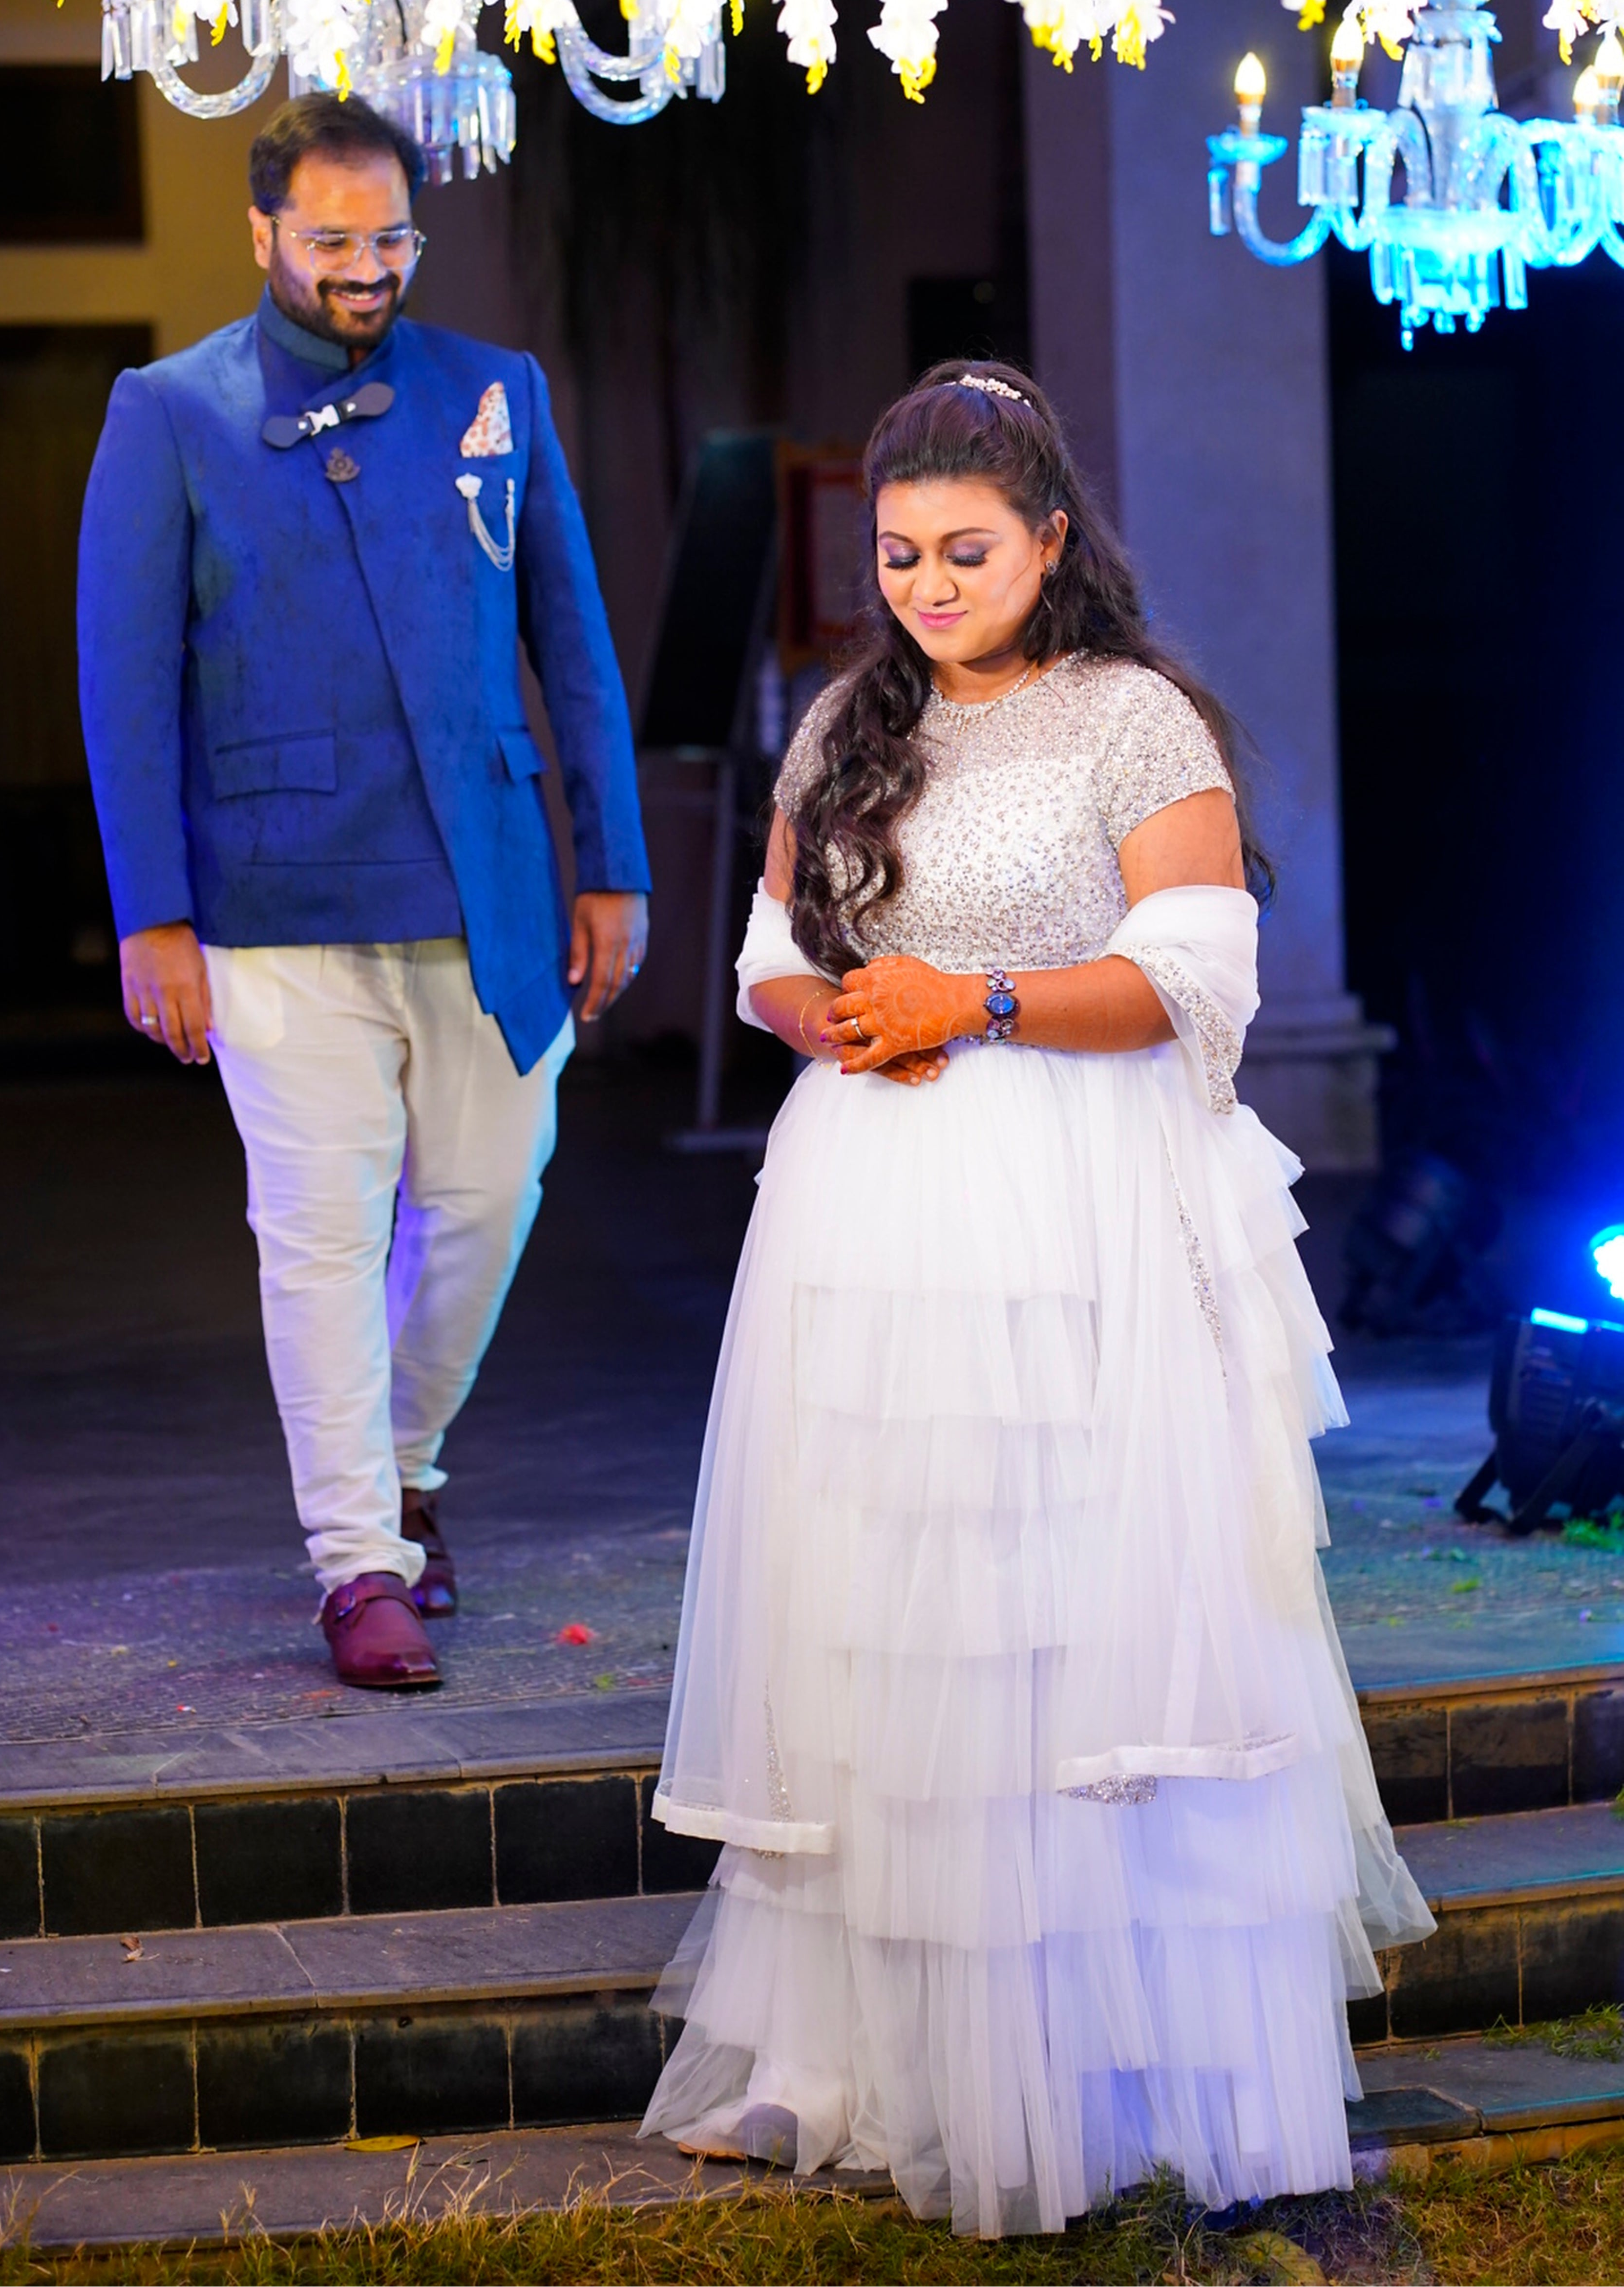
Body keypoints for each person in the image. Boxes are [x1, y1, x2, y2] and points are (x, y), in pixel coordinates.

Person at [640, 363, 1434, 2235]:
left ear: (1052, 541)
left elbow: (1192, 974)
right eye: (900, 553)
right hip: (872, 1199)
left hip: (1065, 1203)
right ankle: (844, 2055)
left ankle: (1100, 2050)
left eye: (965, 552)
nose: (926, 584)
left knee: (1059, 1613)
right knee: (878, 1613)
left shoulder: (1132, 722)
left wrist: (970, 998)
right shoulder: (849, 717)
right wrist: (829, 1010)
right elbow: (767, 950)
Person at [76, 94, 650, 1690]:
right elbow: (124, 685)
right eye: (330, 241)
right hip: (271, 896)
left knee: (487, 1199)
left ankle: (405, 1467)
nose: (364, 267)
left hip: (491, 889)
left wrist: (611, 866)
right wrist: (152, 915)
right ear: (264, 232)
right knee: (318, 1238)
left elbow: (574, 651)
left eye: (389, 238)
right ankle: (357, 1563)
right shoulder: (170, 409)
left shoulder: (495, 391)